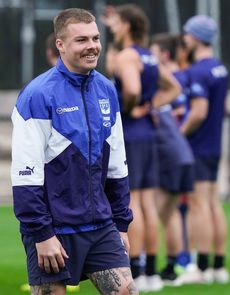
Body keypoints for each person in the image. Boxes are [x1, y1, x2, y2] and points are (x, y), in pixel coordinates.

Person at [11, 8, 138, 295]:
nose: (92, 46)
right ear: (60, 44)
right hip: (53, 230)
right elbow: (25, 174)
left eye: (95, 38)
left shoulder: (107, 89)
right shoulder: (37, 95)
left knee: (126, 292)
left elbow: (117, 165)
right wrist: (42, 235)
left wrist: (120, 224)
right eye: (81, 40)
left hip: (101, 227)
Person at [103, 4, 180, 291]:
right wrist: (151, 107)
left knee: (132, 202)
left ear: (127, 26)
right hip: (148, 133)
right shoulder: (147, 55)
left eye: (116, 23)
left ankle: (135, 268)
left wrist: (130, 108)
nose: (112, 27)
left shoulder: (128, 55)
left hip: (132, 134)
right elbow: (173, 87)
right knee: (147, 203)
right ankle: (150, 272)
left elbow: (132, 89)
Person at [179, 15, 230, 284]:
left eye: (187, 34)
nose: (184, 39)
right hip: (214, 144)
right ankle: (218, 267)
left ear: (196, 37)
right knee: (212, 204)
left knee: (199, 206)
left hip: (198, 146)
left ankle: (199, 269)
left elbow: (199, 112)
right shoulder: (220, 68)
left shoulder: (197, 71)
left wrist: (178, 135)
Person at [149, 33, 195, 285]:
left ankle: (152, 269)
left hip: (170, 157)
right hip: (183, 155)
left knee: (152, 211)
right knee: (170, 213)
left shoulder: (154, 97)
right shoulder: (165, 94)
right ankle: (172, 268)